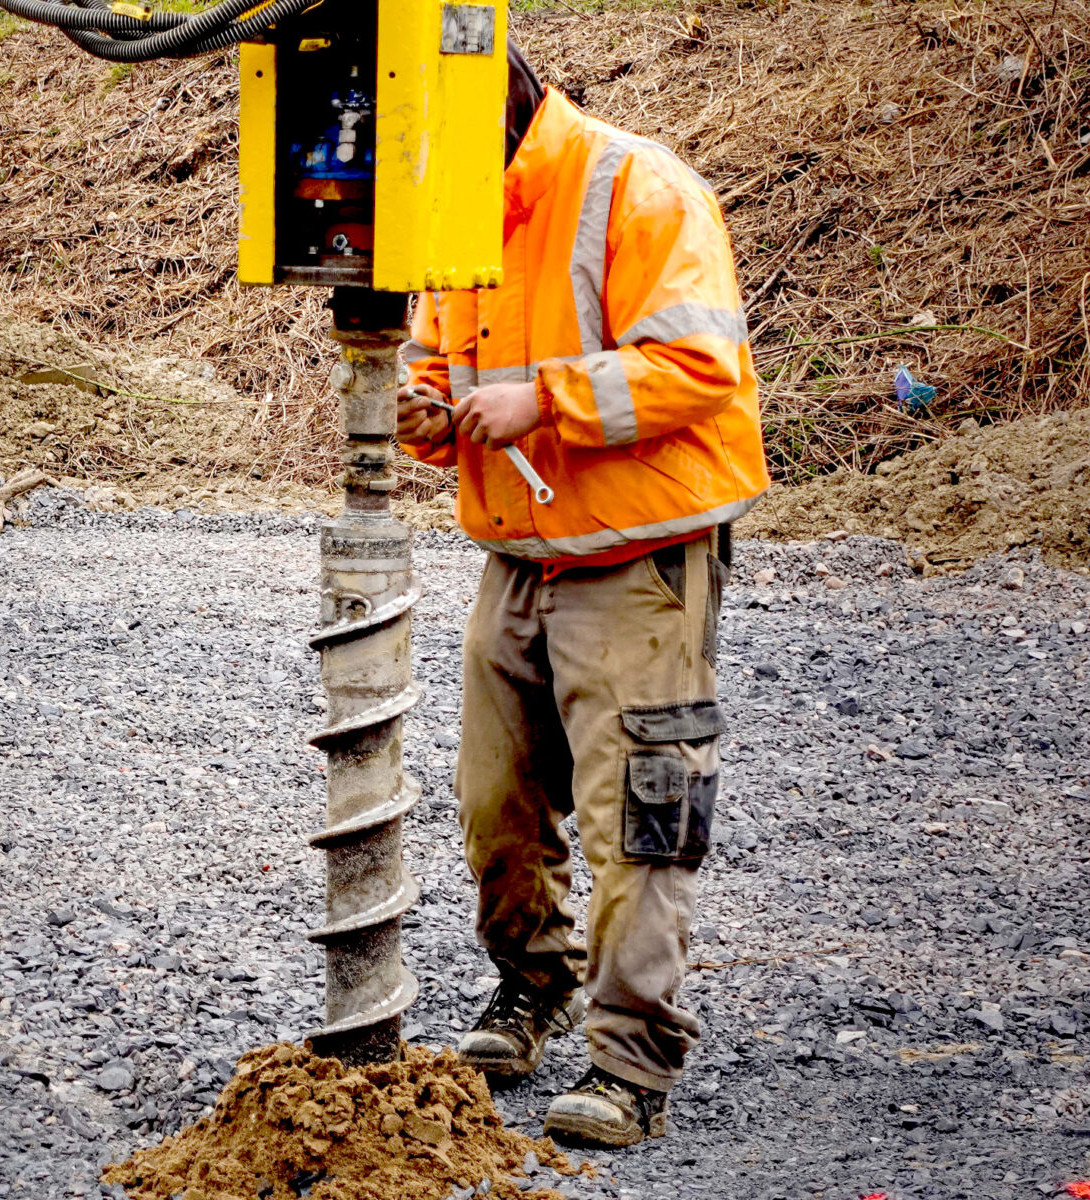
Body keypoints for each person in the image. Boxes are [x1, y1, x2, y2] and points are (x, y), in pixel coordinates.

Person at [394, 41, 768, 1147]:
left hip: (636, 560)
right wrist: (424, 412)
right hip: (517, 554)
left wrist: (542, 400)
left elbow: (703, 367)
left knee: (637, 820)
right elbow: (435, 360)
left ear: (491, 112)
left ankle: (629, 1061)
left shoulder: (636, 187)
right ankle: (535, 982)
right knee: (493, 806)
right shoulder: (449, 213)